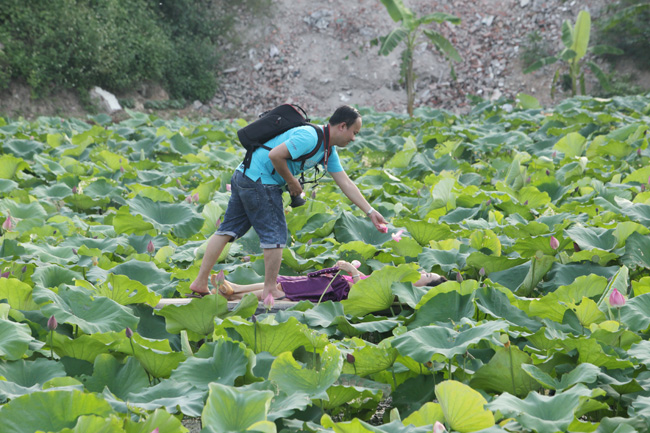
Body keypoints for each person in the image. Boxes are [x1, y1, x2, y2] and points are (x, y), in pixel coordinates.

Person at [189, 105, 388, 299]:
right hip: (260, 180)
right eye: (354, 132)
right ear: (342, 126)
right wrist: (292, 182)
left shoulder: (327, 150)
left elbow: (345, 182)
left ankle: (200, 281)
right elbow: (275, 155)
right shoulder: (310, 137)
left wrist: (370, 212)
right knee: (275, 234)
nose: (354, 138)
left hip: (245, 175)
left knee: (228, 229)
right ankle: (269, 290)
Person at [212, 260, 448, 302]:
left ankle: (234, 296)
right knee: (283, 279)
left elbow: (364, 292)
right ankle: (236, 288)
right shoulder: (399, 278)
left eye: (427, 276)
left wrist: (352, 273)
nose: (423, 272)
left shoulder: (400, 292)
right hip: (335, 281)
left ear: (424, 289)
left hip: (337, 290)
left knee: (285, 290)